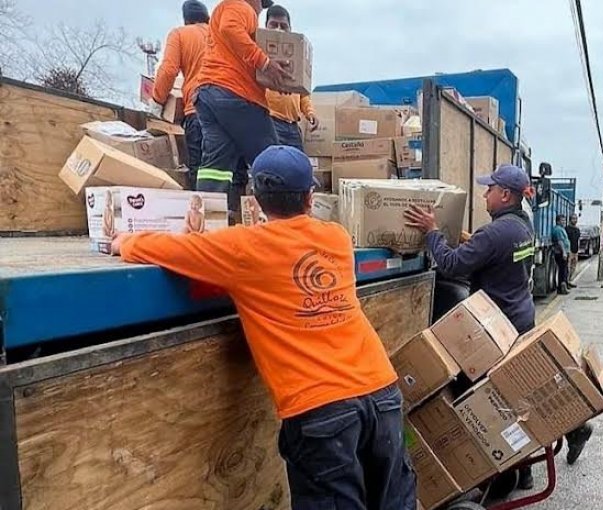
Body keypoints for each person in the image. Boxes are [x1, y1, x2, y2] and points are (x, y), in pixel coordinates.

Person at [110, 145, 416, 510]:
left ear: (254, 195)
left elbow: (164, 249)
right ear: (310, 196)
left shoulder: (242, 248)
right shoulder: (335, 237)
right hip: (381, 393)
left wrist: (122, 240)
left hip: (321, 410)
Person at [404, 163, 593, 492]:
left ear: (505, 194)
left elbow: (451, 265)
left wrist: (432, 232)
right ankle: (529, 469)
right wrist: (469, 240)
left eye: (489, 189)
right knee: (517, 397)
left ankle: (499, 474)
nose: (484, 194)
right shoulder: (522, 226)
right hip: (519, 316)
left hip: (494, 327)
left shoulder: (497, 232)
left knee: (488, 402)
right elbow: (492, 252)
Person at [194, 0, 292, 222]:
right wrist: (264, 62)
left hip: (209, 93)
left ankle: (207, 223)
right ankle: (284, 223)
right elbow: (230, 28)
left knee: (215, 165)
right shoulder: (242, 7)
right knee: (272, 158)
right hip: (236, 95)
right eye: (262, 6)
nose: (260, 11)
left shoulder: (225, 8)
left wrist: (275, 80)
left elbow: (236, 59)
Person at [150, 1, 210, 191]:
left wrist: (157, 101)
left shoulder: (180, 34)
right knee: (229, 171)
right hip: (231, 112)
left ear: (186, 20)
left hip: (198, 110)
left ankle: (204, 217)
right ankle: (235, 212)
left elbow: (168, 71)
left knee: (200, 171)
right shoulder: (220, 36)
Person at [263, 5, 319, 149]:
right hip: (270, 121)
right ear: (265, 26)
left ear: (290, 29)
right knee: (276, 165)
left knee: (297, 166)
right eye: (274, 25)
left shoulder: (296, 57)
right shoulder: (259, 53)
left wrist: (310, 113)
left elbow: (303, 93)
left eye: (283, 26)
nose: (279, 30)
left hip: (293, 126)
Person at [551, 214, 571, 295]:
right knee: (562, 271)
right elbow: (560, 242)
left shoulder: (561, 229)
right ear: (558, 221)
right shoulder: (558, 230)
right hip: (560, 253)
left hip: (562, 252)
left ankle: (563, 286)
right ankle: (561, 288)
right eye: (562, 220)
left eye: (564, 220)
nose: (564, 222)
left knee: (564, 270)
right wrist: (564, 252)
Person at [564, 214, 581, 289]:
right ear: (570, 220)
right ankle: (566, 281)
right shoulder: (567, 229)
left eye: (576, 219)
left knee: (573, 267)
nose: (575, 220)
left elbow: (578, 240)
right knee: (567, 267)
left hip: (575, 250)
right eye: (573, 219)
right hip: (569, 251)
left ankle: (569, 280)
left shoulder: (577, 229)